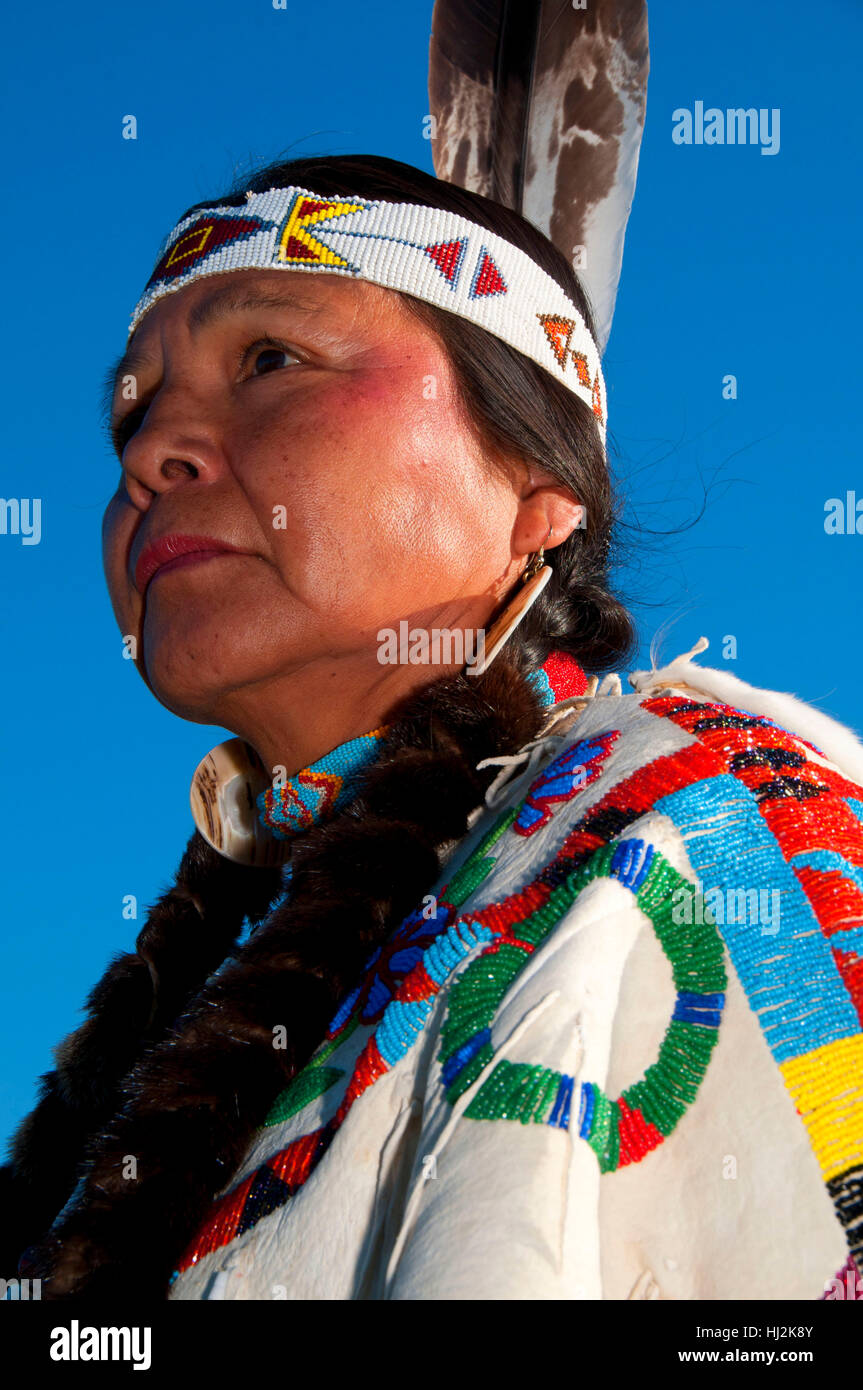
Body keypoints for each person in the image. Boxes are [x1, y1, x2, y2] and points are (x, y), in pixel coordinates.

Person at [2, 153, 862, 1302]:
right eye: (132, 410)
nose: (152, 449)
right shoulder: (227, 958)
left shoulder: (714, 823)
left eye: (269, 359)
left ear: (534, 487)